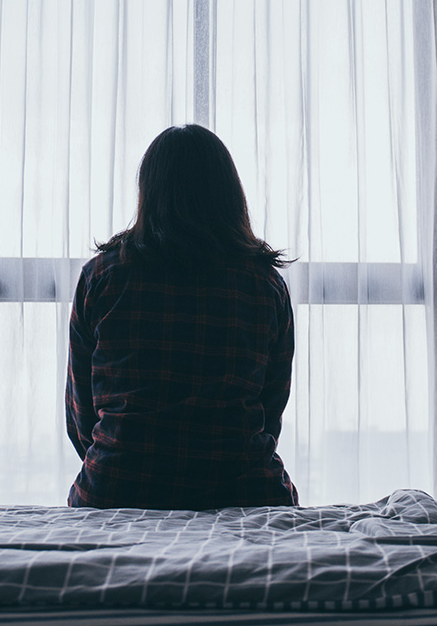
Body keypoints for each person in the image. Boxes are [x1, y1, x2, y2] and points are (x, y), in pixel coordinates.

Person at [65, 124, 298, 510]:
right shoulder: (264, 284)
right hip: (247, 490)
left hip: (116, 487)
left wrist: (126, 457)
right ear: (230, 194)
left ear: (148, 192)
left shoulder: (101, 277)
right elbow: (270, 408)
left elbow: (81, 416)